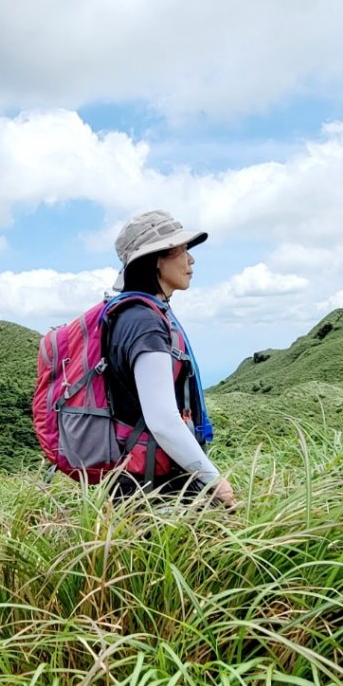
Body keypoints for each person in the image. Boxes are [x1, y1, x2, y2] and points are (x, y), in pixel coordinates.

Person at [105, 210, 236, 506]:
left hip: (139, 476)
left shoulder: (135, 315)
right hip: (152, 486)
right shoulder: (144, 323)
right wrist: (214, 480)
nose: (191, 260)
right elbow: (163, 420)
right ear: (155, 259)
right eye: (181, 250)